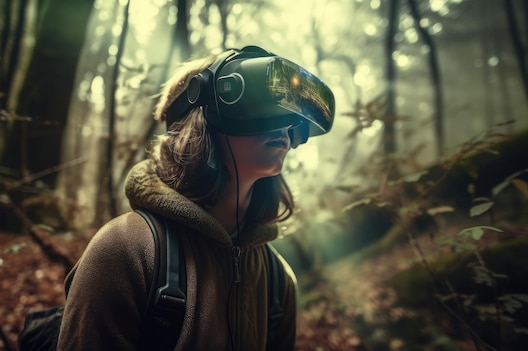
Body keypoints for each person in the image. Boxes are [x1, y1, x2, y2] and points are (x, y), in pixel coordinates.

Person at [57, 45, 335, 350]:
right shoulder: (125, 250)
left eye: (287, 116)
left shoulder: (278, 280)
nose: (283, 126)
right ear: (204, 115)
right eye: (260, 103)